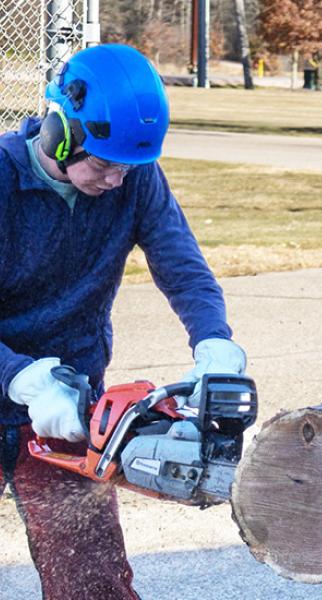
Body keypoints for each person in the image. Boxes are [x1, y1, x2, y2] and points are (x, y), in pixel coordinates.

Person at [0, 44, 247, 599]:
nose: (115, 180)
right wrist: (23, 378)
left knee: (93, 581)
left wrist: (214, 339)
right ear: (62, 131)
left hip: (69, 408)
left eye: (127, 167)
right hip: (23, 383)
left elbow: (181, 265)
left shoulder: (135, 179)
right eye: (105, 164)